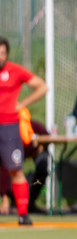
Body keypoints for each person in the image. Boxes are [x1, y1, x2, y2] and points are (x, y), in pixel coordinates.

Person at [0, 36, 48, 226]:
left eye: (2, 53)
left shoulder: (15, 70)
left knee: (15, 169)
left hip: (9, 127)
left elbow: (42, 86)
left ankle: (22, 214)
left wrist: (22, 104)